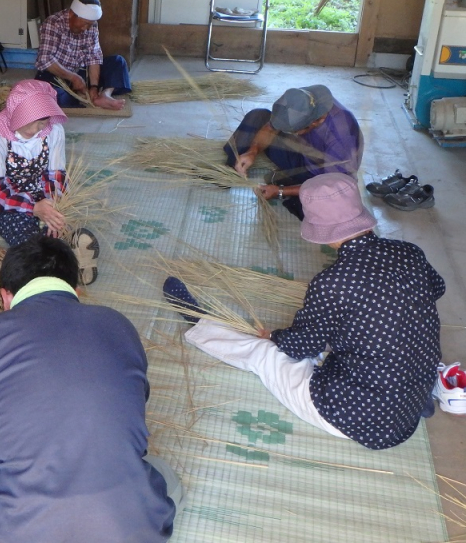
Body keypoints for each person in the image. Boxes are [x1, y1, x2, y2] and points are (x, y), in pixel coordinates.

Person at [163, 173, 445, 450]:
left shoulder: (332, 283)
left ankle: (199, 322)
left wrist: (274, 336)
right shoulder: (409, 252)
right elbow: (437, 288)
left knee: (266, 354)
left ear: (320, 231)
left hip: (361, 419)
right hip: (411, 400)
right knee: (372, 343)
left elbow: (302, 347)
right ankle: (414, 403)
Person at [0, 236, 180, 542]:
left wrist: (9, 480)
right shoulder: (119, 325)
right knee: (166, 477)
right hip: (132, 531)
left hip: (16, 531)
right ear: (76, 290)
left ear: (5, 297)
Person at [0, 79, 100, 284]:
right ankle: (61, 269)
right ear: (17, 115)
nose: (37, 129)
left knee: (57, 222)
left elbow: (56, 174)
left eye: (42, 122)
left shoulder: (53, 130)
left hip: (39, 195)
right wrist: (34, 208)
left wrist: (54, 204)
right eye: (32, 122)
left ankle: (70, 259)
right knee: (24, 231)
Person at [224, 84, 363, 220]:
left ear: (316, 121)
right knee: (258, 116)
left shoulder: (342, 135)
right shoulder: (303, 100)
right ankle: (228, 171)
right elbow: (271, 128)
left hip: (321, 176)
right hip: (302, 153)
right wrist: (252, 151)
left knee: (329, 208)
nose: (291, 134)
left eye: (294, 131)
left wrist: (279, 191)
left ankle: (290, 184)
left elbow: (334, 185)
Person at [35, 0, 131, 111]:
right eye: (84, 23)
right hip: (57, 73)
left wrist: (94, 87)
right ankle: (74, 96)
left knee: (118, 62)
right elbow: (45, 59)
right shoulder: (53, 23)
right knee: (51, 96)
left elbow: (94, 57)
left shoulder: (92, 25)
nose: (86, 28)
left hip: (81, 71)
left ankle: (105, 95)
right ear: (71, 14)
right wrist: (73, 78)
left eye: (90, 24)